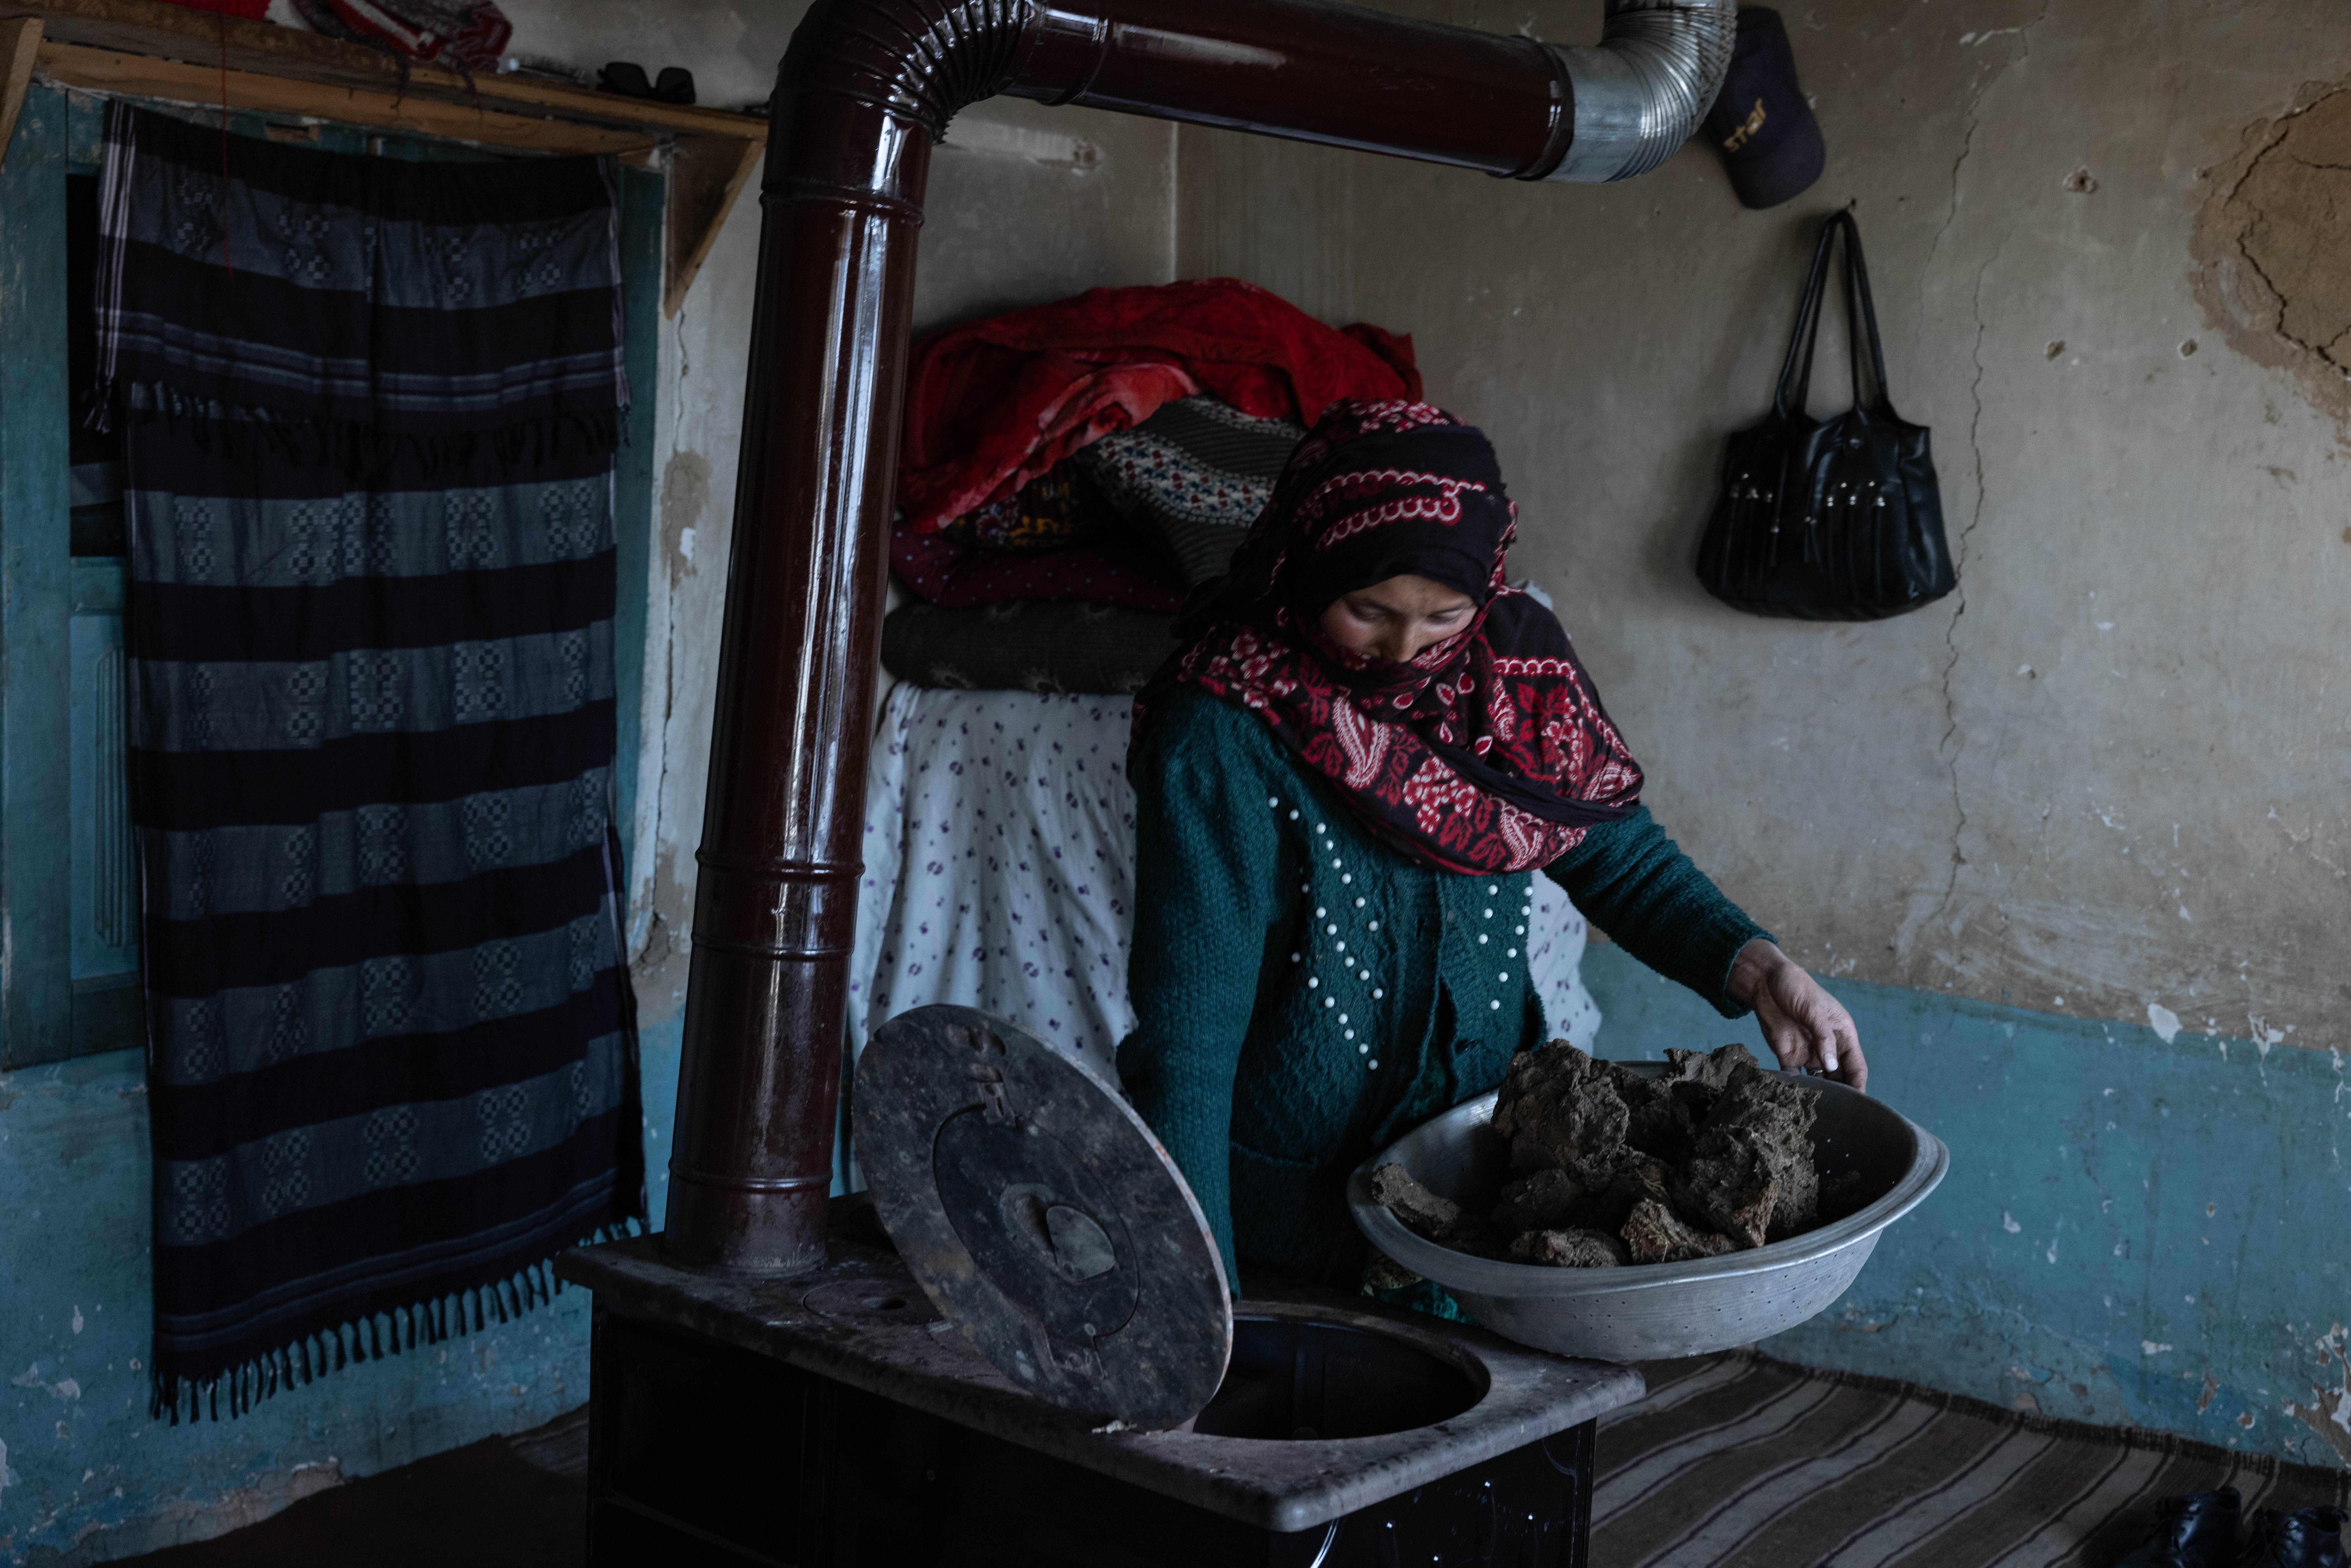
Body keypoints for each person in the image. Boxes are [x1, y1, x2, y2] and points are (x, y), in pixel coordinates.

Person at [1117, 399, 1865, 1295]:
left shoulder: (1515, 677)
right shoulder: (1223, 736)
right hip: (1291, 1234)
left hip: (1492, 1190)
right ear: (1310, 562)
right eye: (1368, 609)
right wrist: (1205, 1301)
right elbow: (1187, 1052)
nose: (1405, 650)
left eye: (1444, 615)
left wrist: (1759, 970)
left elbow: (1616, 856)